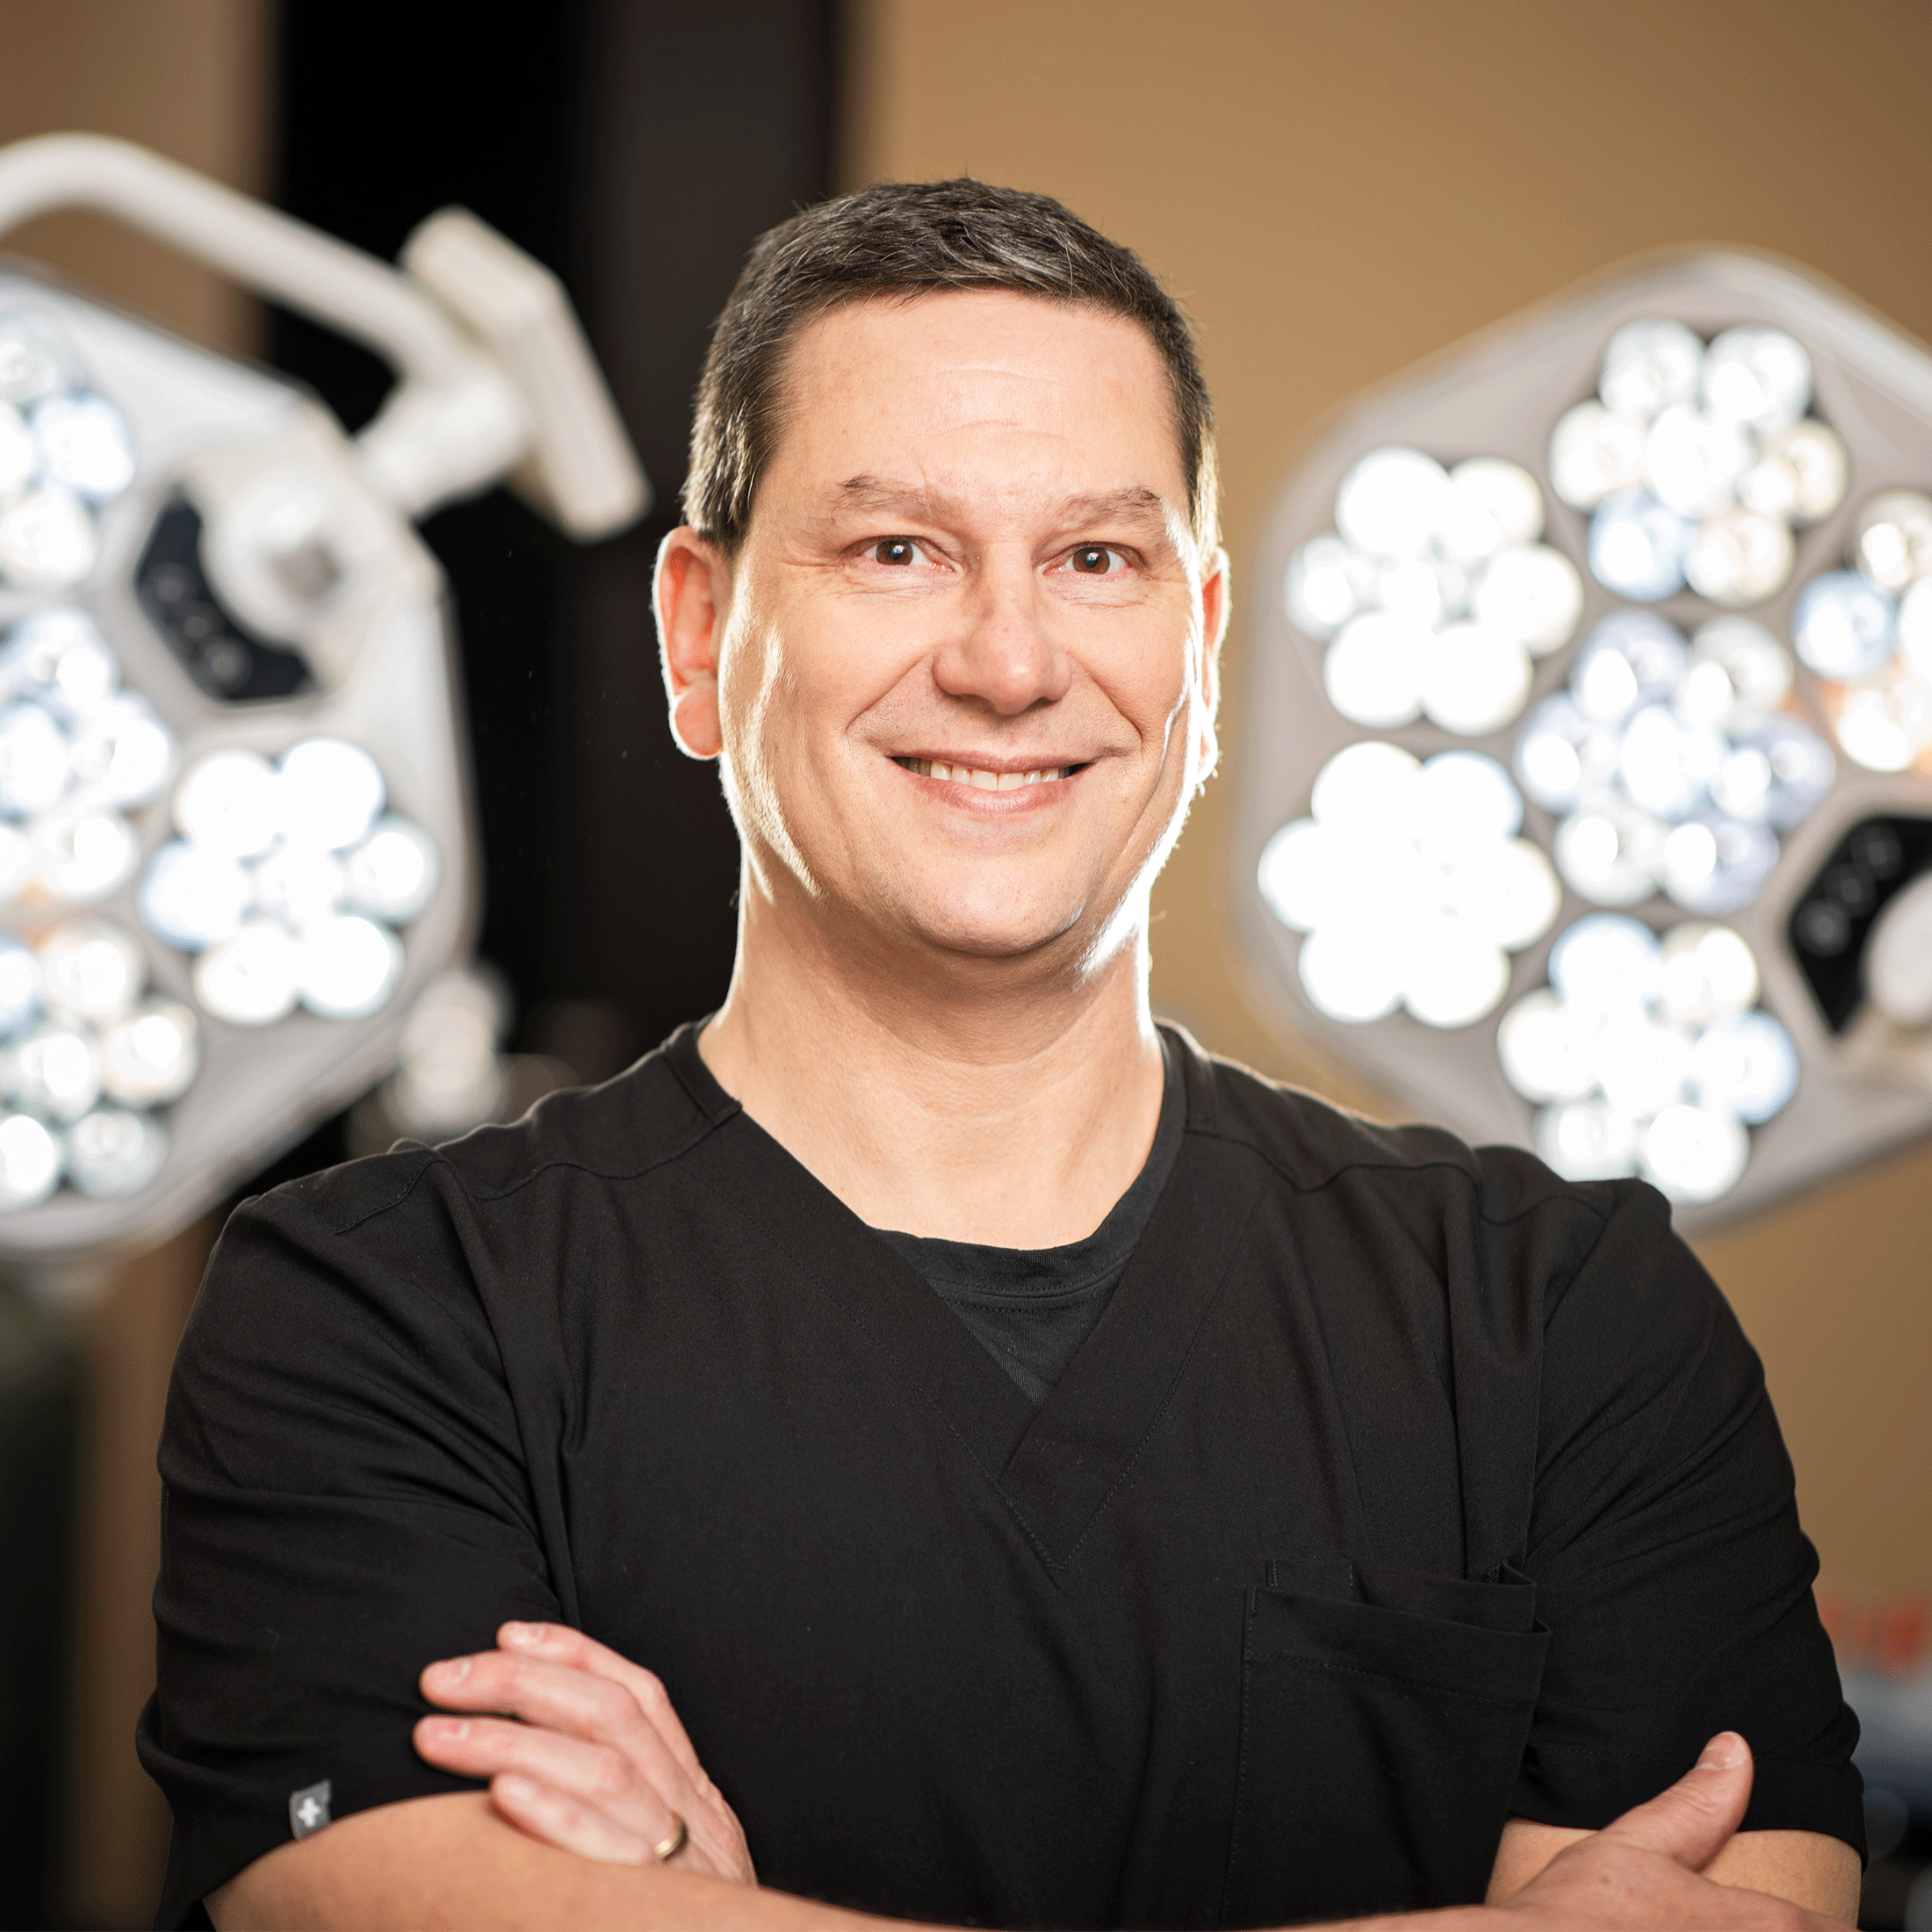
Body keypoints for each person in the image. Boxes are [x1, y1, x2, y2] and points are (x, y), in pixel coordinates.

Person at [139, 179, 1864, 1931]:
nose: (1009, 659)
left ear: (1192, 642)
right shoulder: (390, 1315)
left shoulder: (1560, 1315)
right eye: (896, 548)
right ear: (694, 634)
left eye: (1095, 559)